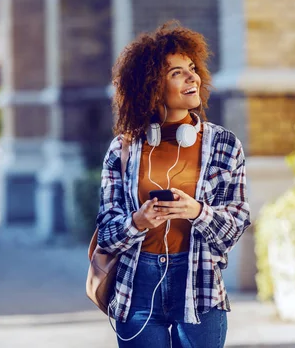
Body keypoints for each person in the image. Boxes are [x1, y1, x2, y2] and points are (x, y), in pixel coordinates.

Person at [96, 21, 251, 348]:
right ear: (151, 85)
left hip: (200, 286)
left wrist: (196, 211)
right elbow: (106, 235)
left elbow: (236, 226)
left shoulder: (224, 146)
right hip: (136, 288)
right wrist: (138, 221)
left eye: (192, 68)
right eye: (176, 73)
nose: (192, 77)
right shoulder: (123, 148)